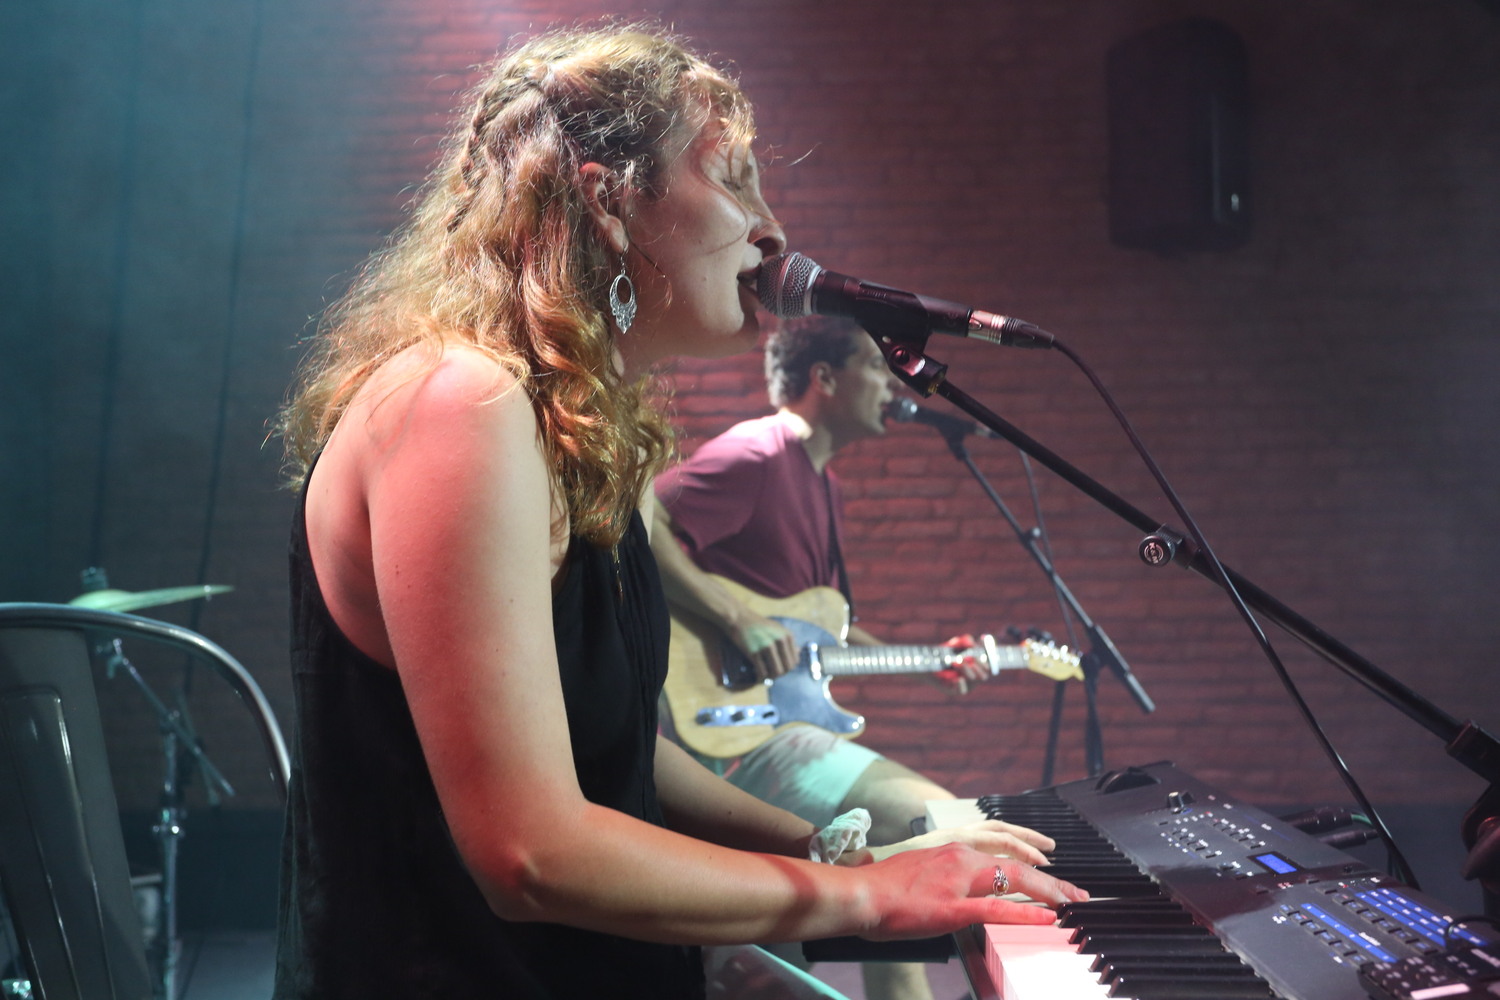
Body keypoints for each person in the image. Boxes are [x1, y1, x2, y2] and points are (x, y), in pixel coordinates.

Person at [273, 23, 1084, 1000]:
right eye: (732, 178)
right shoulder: (462, 405)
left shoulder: (573, 430)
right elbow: (528, 851)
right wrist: (866, 896)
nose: (773, 230)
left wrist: (839, 849)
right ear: (609, 200)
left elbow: (620, 752)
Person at [653, 315, 997, 1000]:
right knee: (939, 822)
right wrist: (735, 617)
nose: (890, 383)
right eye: (873, 364)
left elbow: (819, 628)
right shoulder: (757, 451)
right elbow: (643, 525)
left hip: (784, 722)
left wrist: (926, 660)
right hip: (736, 732)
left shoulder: (824, 483)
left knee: (851, 928)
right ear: (824, 379)